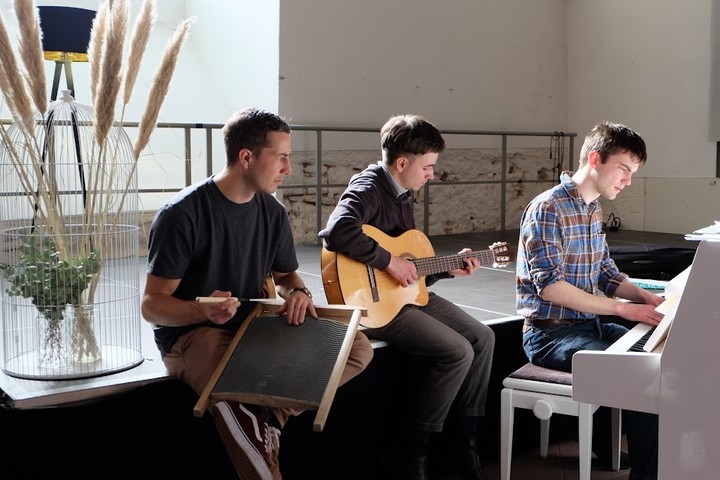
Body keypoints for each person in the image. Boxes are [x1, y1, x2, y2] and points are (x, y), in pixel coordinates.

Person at [141, 107, 374, 480]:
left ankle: (267, 415)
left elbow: (287, 276)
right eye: (281, 157)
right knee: (233, 383)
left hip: (254, 326)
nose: (288, 168)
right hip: (194, 336)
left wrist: (298, 292)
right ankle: (261, 434)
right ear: (246, 158)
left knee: (358, 347)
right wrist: (204, 312)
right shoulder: (181, 214)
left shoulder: (272, 211)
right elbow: (152, 306)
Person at [318, 114, 495, 480]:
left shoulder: (401, 194)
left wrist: (447, 268)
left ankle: (464, 442)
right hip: (371, 304)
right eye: (428, 166)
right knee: (457, 351)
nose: (432, 174)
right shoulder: (368, 187)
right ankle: (411, 452)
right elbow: (336, 231)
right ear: (402, 163)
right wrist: (389, 262)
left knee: (484, 337)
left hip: (399, 297)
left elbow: (409, 268)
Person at [516, 121, 662, 480]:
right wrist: (622, 309)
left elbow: (605, 273)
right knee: (639, 373)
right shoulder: (548, 208)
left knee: (658, 365)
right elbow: (550, 287)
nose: (628, 181)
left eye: (633, 173)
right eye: (624, 170)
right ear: (596, 159)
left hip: (586, 326)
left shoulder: (592, 207)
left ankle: (656, 466)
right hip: (549, 336)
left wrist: (648, 297)